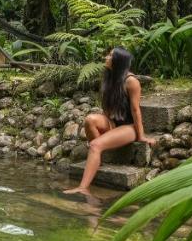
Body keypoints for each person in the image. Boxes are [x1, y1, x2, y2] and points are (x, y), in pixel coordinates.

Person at [64, 46, 153, 195]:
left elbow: (136, 110)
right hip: (113, 122)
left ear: (118, 61)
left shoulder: (131, 82)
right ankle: (97, 158)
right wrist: (110, 123)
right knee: (90, 120)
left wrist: (141, 135)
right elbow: (107, 107)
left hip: (129, 127)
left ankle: (83, 188)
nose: (106, 57)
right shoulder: (109, 78)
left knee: (94, 145)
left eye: (110, 56)